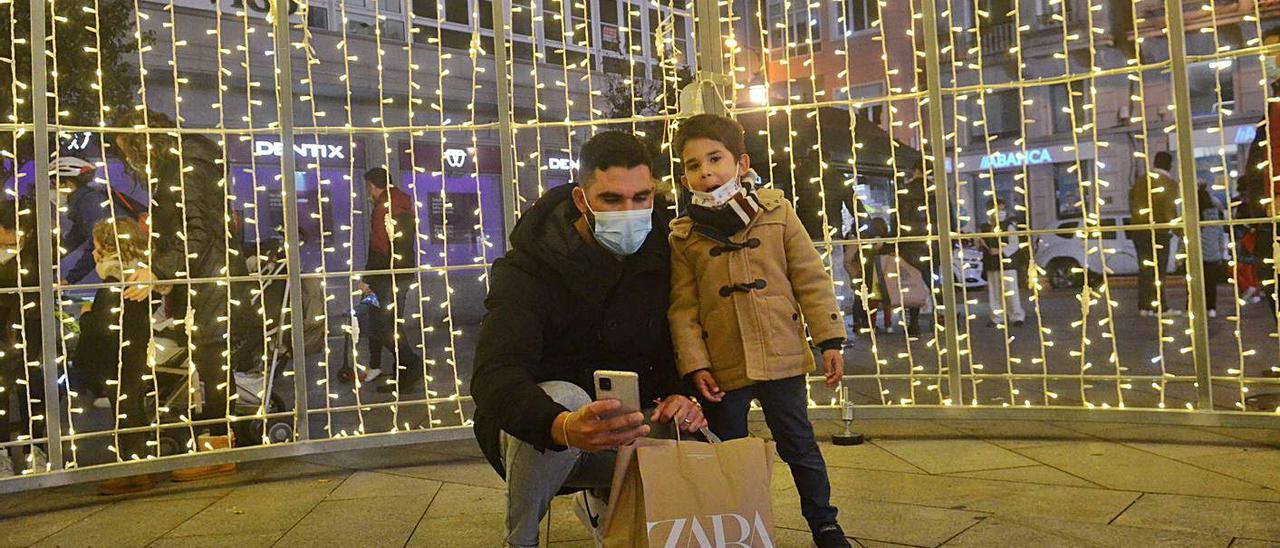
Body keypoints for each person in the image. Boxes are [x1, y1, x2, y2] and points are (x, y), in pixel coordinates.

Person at [471, 131, 704, 548]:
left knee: (703, 441)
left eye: (641, 198)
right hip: (542, 433)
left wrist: (681, 395)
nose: (629, 212)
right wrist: (560, 425)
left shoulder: (664, 251)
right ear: (582, 200)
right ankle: (520, 539)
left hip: (630, 422)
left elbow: (678, 335)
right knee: (567, 396)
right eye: (612, 200)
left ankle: (609, 502)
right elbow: (494, 374)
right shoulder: (527, 268)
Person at [667, 114, 852, 548]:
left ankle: (824, 523)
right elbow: (684, 309)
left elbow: (810, 278)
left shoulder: (776, 211)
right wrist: (695, 365)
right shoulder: (685, 235)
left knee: (799, 444)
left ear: (740, 162)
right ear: (685, 176)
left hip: (782, 352)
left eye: (715, 158)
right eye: (694, 165)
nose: (706, 171)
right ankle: (733, 528)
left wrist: (828, 339)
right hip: (723, 363)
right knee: (725, 452)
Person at [114, 109, 249, 481]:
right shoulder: (185, 162)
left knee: (212, 362)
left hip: (211, 279)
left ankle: (219, 449)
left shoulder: (185, 165)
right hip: (208, 276)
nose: (128, 160)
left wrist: (159, 268)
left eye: (128, 151)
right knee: (211, 362)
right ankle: (218, 445)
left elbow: (196, 230)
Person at [78, 217, 163, 494]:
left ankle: (132, 469)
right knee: (134, 405)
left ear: (107, 247)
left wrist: (86, 318)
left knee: (125, 410)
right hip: (134, 353)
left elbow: (103, 327)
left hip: (116, 357)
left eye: (96, 246)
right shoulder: (137, 276)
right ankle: (141, 466)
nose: (93, 252)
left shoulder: (113, 282)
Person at [355, 167, 424, 394]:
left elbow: (379, 247)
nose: (368, 193)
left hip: (385, 276)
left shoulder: (382, 209)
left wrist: (367, 279)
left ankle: (411, 364)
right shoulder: (403, 203)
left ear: (374, 186)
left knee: (381, 325)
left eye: (368, 188)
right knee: (393, 324)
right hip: (402, 274)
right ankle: (402, 374)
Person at [0, 198, 48, 476]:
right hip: (8, 328)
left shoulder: (34, 251)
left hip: (28, 326)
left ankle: (35, 448)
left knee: (32, 388)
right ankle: (5, 451)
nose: (17, 239)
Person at [1237, 26, 1280, 311]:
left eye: (1275, 52)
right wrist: (1259, 207)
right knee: (1272, 286)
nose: (1270, 60)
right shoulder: (1271, 106)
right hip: (1269, 222)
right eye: (1265, 54)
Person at [1129, 151, 1180, 317]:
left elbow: (1132, 201)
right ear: (1169, 164)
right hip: (1158, 232)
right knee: (1159, 271)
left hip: (1139, 231)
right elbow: (1169, 210)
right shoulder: (1169, 183)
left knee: (1145, 269)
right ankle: (1161, 307)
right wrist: (1180, 231)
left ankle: (1144, 306)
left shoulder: (1141, 180)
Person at [52, 155, 111, 286]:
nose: (52, 189)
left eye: (54, 183)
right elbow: (71, 241)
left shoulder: (90, 202)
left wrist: (69, 279)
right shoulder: (82, 204)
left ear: (68, 184)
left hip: (130, 267)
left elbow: (97, 246)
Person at [979, 211, 1027, 328]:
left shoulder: (1008, 226)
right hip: (992, 264)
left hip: (1007, 265)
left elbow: (1014, 244)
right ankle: (997, 317)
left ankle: (1017, 316)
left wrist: (1000, 251)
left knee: (1010, 291)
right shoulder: (986, 227)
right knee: (995, 292)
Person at [1199, 185, 1227, 319]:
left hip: (1198, 257)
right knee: (1211, 284)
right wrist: (1221, 254)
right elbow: (1221, 239)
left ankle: (1195, 307)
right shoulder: (1217, 219)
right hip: (1214, 256)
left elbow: (1184, 239)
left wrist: (1179, 256)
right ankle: (1211, 308)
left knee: (1196, 283)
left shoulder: (1196, 220)